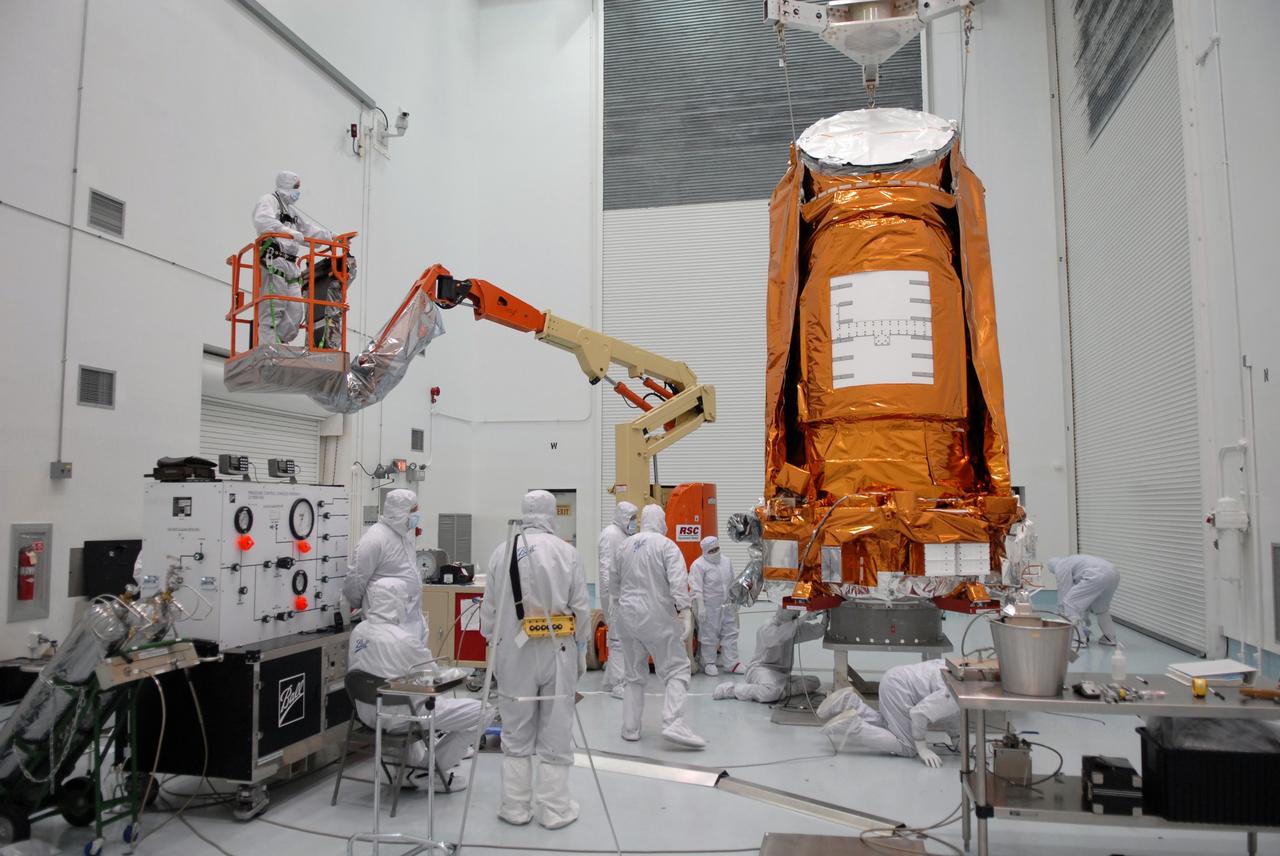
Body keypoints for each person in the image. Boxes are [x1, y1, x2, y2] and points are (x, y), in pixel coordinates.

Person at [481, 490, 591, 829]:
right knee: (556, 728)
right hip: (558, 650)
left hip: (514, 651)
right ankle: (555, 809)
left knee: (515, 727)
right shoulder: (567, 552)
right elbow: (581, 608)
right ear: (549, 513)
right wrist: (582, 648)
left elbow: (489, 611)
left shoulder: (503, 550)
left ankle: (515, 807)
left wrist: (494, 646)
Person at [348, 578, 489, 791]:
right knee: (483, 711)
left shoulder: (358, 631)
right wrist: (458, 675)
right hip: (402, 716)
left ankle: (404, 772)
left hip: (368, 714)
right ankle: (428, 772)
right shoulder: (403, 639)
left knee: (404, 697)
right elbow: (433, 678)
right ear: (397, 602)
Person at [612, 504, 706, 749]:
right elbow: (678, 583)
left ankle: (630, 728)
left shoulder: (624, 545)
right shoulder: (666, 546)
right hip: (655, 616)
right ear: (662, 521)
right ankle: (673, 721)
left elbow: (613, 584)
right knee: (677, 668)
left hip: (626, 615)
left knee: (633, 675)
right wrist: (685, 611)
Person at [816, 659, 959, 768]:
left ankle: (849, 702)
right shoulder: (956, 693)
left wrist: (956, 737)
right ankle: (852, 725)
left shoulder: (959, 669)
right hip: (900, 690)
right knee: (908, 747)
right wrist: (921, 746)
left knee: (889, 726)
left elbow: (948, 712)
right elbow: (919, 713)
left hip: (894, 678)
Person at [251, 170, 333, 346]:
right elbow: (263, 221)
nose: (298, 192)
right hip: (275, 260)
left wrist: (332, 237)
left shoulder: (291, 211)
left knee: (295, 310)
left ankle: (280, 343)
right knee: (274, 307)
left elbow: (308, 230)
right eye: (296, 187)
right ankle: (269, 348)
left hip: (291, 263)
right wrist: (287, 232)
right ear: (287, 185)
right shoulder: (269, 201)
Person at [344, 489, 425, 646]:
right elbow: (354, 583)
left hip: (410, 626)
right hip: (384, 630)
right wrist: (369, 606)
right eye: (414, 510)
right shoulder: (375, 539)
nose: (417, 515)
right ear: (401, 512)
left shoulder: (404, 537)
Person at [712, 605, 825, 703]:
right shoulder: (768, 627)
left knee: (814, 682)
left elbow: (817, 631)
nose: (797, 614)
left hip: (781, 675)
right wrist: (803, 618)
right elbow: (779, 636)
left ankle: (780, 691)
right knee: (770, 692)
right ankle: (732, 689)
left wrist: (826, 616)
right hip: (760, 670)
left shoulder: (792, 627)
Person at [598, 501, 638, 699]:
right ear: (623, 516)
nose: (634, 522)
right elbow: (606, 566)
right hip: (615, 596)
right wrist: (612, 593)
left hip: (621, 594)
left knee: (620, 637)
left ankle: (608, 681)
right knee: (617, 640)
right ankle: (617, 684)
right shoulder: (610, 534)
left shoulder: (622, 534)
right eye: (631, 518)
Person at [689, 536, 741, 676]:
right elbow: (696, 588)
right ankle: (708, 663)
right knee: (709, 634)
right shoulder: (698, 565)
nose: (715, 552)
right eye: (711, 551)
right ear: (705, 551)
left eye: (717, 549)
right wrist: (701, 606)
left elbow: (732, 581)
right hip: (709, 606)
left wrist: (735, 599)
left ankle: (732, 663)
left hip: (727, 604)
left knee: (730, 631)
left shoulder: (726, 561)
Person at [1050, 554, 1119, 646]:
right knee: (1101, 609)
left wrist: (1061, 613)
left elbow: (1064, 593)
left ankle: (1077, 639)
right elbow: (1083, 600)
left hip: (1096, 574)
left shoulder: (1061, 566)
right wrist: (1084, 621)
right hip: (1113, 573)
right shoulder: (1074, 561)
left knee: (1069, 604)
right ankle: (1110, 638)